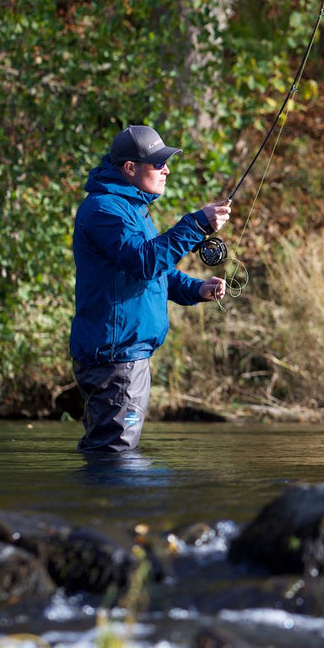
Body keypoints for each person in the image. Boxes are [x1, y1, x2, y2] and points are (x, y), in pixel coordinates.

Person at [69, 124, 231, 453]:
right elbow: (144, 262)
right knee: (115, 455)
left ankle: (99, 503)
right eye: (158, 163)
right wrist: (196, 224)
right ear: (130, 168)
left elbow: (153, 271)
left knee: (112, 454)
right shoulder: (105, 210)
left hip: (125, 356)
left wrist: (196, 289)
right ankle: (101, 504)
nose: (166, 170)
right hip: (116, 358)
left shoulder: (132, 208)